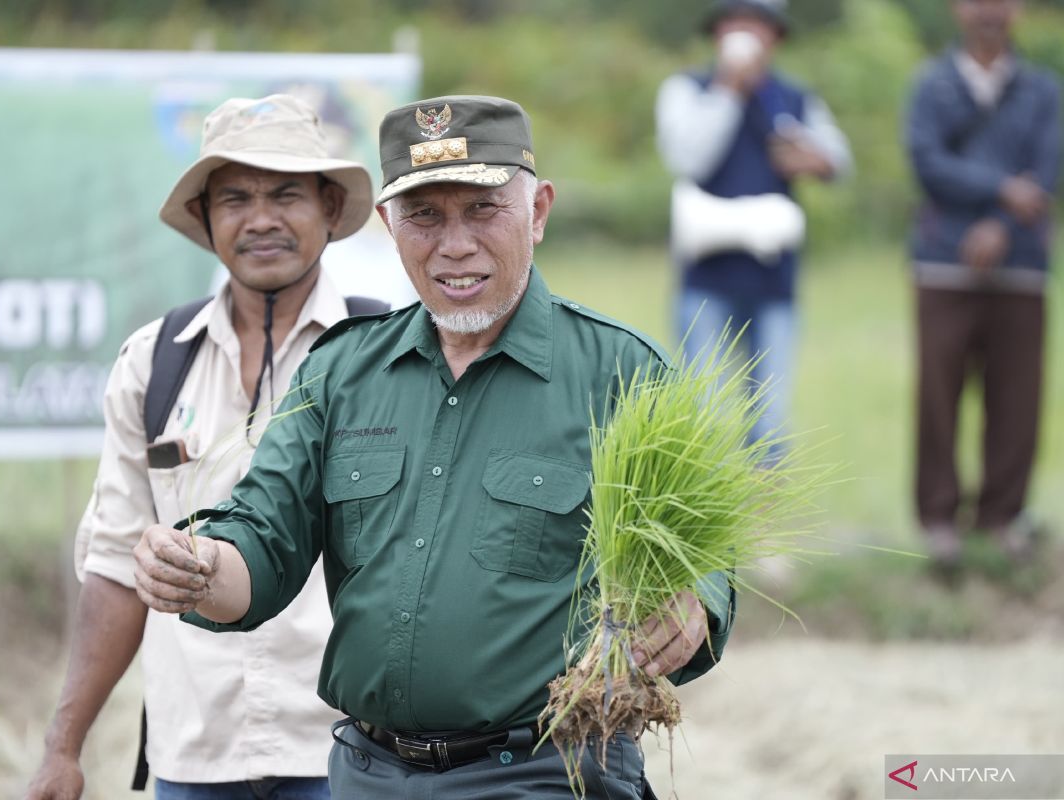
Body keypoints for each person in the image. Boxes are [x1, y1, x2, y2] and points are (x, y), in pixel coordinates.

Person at [131, 94, 734, 799]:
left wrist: (694, 603)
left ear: (537, 212)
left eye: (483, 209)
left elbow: (699, 554)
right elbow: (261, 540)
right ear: (388, 224)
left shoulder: (622, 372)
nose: (454, 244)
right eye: (424, 215)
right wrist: (200, 567)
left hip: (547, 773)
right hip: (367, 776)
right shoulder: (340, 371)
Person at [25, 94, 382, 800]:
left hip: (346, 750)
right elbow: (115, 564)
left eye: (286, 194)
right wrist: (63, 746)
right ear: (206, 219)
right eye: (235, 198)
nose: (261, 219)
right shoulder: (154, 363)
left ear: (331, 209)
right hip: (195, 757)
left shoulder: (383, 356)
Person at [656, 0, 852, 458]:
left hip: (774, 276)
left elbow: (838, 160)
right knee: (700, 408)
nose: (744, 33)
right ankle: (701, 512)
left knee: (770, 415)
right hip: (705, 276)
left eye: (755, 25)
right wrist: (728, 90)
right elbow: (687, 158)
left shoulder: (794, 98)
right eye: (734, 23)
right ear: (717, 33)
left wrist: (813, 159)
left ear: (775, 37)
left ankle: (763, 518)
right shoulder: (688, 89)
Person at [905, 0, 1059, 572]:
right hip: (942, 262)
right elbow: (926, 162)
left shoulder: (1044, 90)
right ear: (957, 9)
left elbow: (1047, 167)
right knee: (938, 394)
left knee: (1018, 396)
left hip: (1021, 266)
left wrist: (999, 224)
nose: (989, 10)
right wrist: (1002, 191)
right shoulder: (932, 85)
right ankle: (939, 519)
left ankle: (1000, 518)